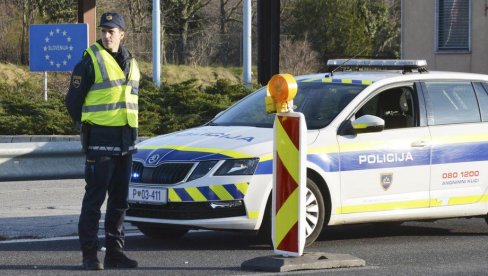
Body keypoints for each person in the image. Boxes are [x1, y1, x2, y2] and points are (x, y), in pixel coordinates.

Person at [65, 12, 140, 270]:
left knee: (120, 202)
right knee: (94, 201)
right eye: (104, 31)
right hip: (100, 142)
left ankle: (115, 254)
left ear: (122, 34)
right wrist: (87, 127)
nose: (107, 35)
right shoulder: (89, 61)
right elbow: (72, 102)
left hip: (126, 143)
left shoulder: (132, 62)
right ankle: (89, 255)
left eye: (112, 31)